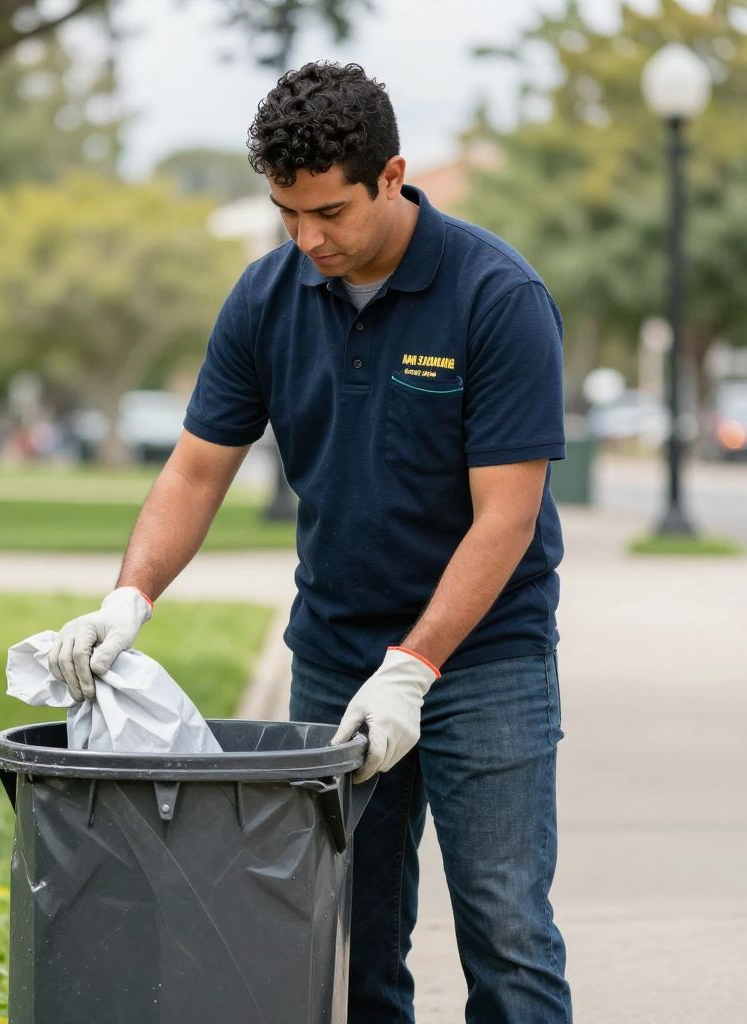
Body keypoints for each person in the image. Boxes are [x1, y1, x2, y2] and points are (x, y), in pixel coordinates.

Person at [50, 61, 573, 1024]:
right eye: (287, 214)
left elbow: (507, 516)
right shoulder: (267, 296)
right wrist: (130, 598)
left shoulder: (496, 297)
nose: (309, 238)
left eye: (329, 211)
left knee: (506, 936)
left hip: (484, 665)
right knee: (347, 938)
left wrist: (414, 668)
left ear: (391, 174)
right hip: (333, 656)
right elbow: (197, 470)